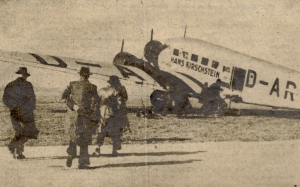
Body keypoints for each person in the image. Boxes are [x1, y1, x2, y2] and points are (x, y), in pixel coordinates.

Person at [62, 67, 99, 169]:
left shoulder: (72, 84)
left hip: (73, 115)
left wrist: (73, 106)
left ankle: (71, 154)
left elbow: (64, 96)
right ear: (88, 75)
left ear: (80, 75)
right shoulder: (93, 87)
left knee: (73, 135)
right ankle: (82, 163)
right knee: (84, 138)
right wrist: (92, 113)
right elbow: (95, 103)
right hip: (85, 116)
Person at [2, 67, 39, 159]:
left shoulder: (26, 85)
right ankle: (18, 151)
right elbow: (5, 99)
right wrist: (15, 107)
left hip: (22, 112)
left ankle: (13, 147)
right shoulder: (13, 85)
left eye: (25, 75)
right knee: (23, 132)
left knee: (26, 132)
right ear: (21, 75)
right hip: (19, 112)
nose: (25, 76)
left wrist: (30, 107)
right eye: (24, 74)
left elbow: (33, 98)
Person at [93, 75, 129, 157]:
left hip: (103, 113)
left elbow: (96, 102)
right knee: (116, 132)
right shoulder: (118, 91)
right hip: (114, 114)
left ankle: (97, 149)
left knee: (101, 132)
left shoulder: (102, 90)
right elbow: (121, 103)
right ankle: (114, 150)